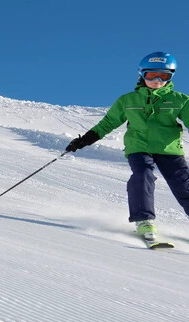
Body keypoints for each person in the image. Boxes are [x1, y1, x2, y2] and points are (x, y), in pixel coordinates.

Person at [65, 51, 189, 241]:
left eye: (164, 76)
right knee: (143, 175)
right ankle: (144, 220)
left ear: (171, 77)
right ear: (141, 75)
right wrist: (85, 139)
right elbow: (108, 123)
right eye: (151, 75)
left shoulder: (180, 100)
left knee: (183, 184)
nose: (157, 80)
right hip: (138, 147)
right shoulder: (127, 100)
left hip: (169, 149)